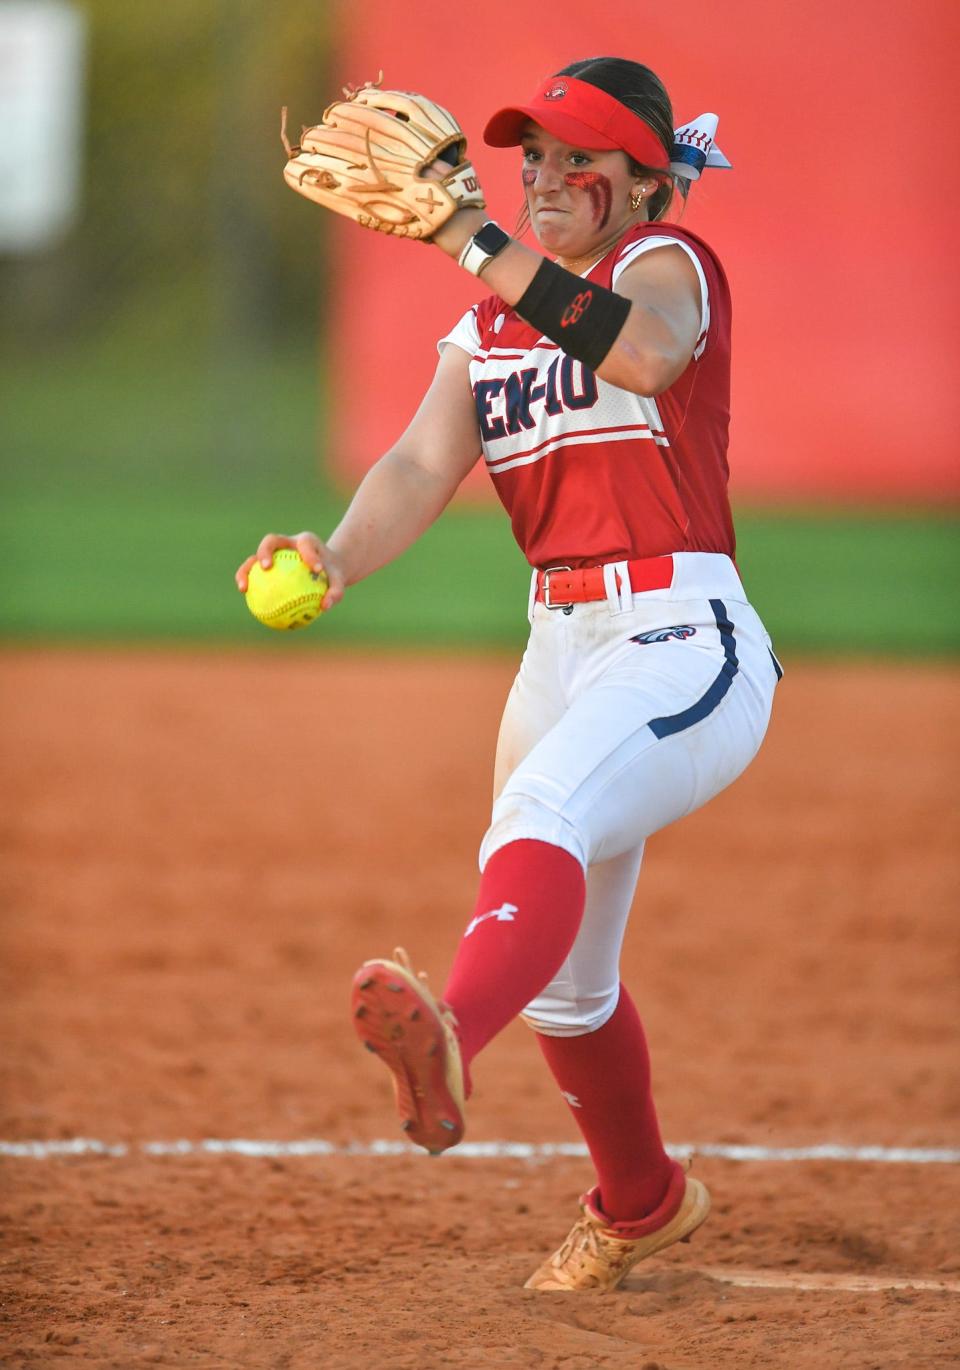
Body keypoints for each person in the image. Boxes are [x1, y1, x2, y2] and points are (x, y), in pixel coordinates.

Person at [236, 56, 782, 1292]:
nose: (542, 175)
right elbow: (424, 466)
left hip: (680, 638)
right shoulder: (485, 322)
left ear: (644, 181)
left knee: (537, 816)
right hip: (559, 646)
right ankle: (642, 1201)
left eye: (577, 156)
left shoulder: (664, 269)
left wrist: (470, 235)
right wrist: (332, 553)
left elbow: (645, 357)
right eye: (529, 154)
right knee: (574, 990)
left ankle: (448, 1043)